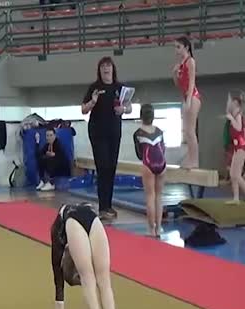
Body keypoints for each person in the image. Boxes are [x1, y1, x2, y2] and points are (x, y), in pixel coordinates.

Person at [50, 202, 124, 309]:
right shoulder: (64, 240)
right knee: (90, 277)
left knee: (100, 277)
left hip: (77, 218)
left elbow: (57, 271)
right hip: (90, 215)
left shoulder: (57, 232)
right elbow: (59, 273)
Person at [81, 57, 132, 220]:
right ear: (100, 70)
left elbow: (129, 107)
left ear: (112, 69)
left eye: (108, 66)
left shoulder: (120, 87)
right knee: (102, 166)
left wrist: (122, 109)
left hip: (114, 131)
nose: (106, 69)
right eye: (103, 66)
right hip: (97, 131)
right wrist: (93, 102)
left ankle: (108, 205)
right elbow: (83, 109)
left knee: (111, 167)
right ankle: (103, 207)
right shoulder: (94, 88)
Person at [133, 104, 166, 237]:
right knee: (159, 196)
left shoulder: (138, 133)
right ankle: (159, 228)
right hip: (162, 163)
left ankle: (151, 230)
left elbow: (139, 154)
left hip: (148, 163)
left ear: (141, 116)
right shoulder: (159, 131)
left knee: (150, 196)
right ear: (153, 117)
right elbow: (163, 148)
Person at [172, 36, 201, 169]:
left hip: (193, 97)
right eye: (175, 47)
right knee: (186, 131)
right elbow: (178, 85)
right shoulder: (181, 64)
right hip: (186, 97)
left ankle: (194, 161)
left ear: (186, 47)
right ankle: (190, 157)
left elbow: (192, 82)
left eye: (178, 47)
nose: (176, 50)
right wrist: (174, 75)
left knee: (190, 130)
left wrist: (188, 100)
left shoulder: (190, 62)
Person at [226, 90, 245, 206]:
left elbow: (238, 128)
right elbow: (228, 108)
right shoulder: (235, 114)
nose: (230, 105)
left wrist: (231, 119)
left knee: (236, 175)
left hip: (241, 148)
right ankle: (236, 198)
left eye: (233, 103)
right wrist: (229, 99)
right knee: (233, 174)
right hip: (237, 148)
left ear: (236, 105)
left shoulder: (238, 115)